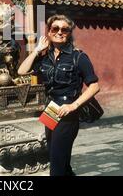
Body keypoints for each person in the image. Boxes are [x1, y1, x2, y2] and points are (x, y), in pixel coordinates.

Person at [18, 14, 100, 176]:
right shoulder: (44, 59)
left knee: (56, 166)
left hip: (68, 112)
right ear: (49, 33)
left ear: (70, 33)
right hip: (50, 110)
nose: (60, 32)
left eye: (65, 29)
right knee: (59, 160)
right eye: (55, 29)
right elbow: (22, 71)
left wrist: (73, 105)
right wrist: (36, 50)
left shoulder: (78, 57)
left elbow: (94, 86)